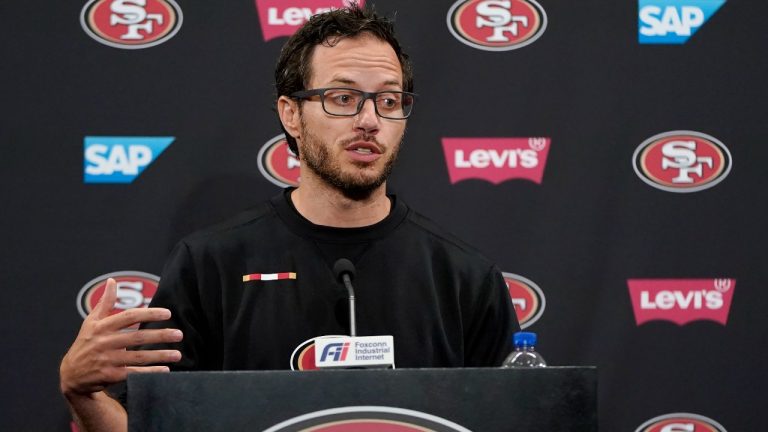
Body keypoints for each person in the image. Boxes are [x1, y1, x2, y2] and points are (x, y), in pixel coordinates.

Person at [59, 5, 519, 431]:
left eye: (389, 100)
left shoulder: (465, 278)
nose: (369, 120)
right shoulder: (210, 265)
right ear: (291, 115)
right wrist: (82, 393)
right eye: (343, 98)